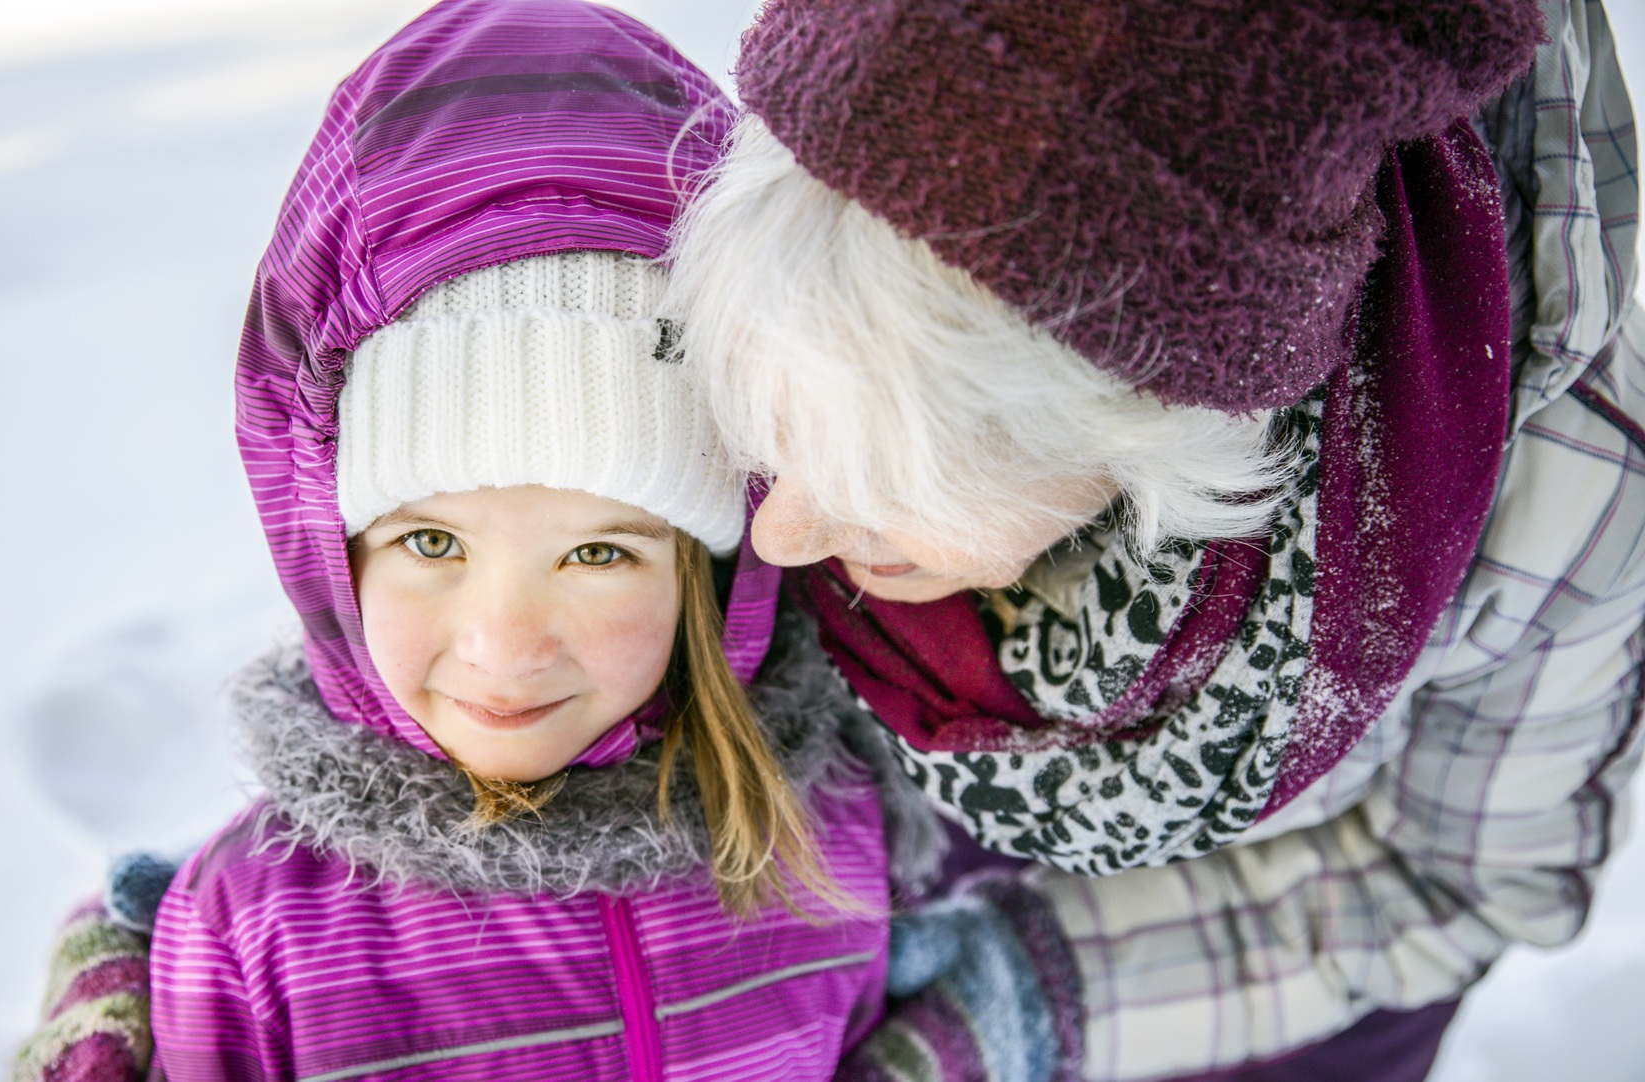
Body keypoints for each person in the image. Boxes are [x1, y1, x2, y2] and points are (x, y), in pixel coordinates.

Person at [667, 1, 1643, 1080]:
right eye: (780, 436)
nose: (783, 531)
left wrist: (1018, 999)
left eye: (894, 482)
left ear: (1156, 419)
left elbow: (1456, 880)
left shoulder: (1561, 492)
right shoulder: (811, 269)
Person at [9, 1, 955, 1079]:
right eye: (431, 543)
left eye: (598, 553)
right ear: (334, 545)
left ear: (714, 565)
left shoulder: (826, 835)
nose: (505, 646)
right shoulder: (253, 938)